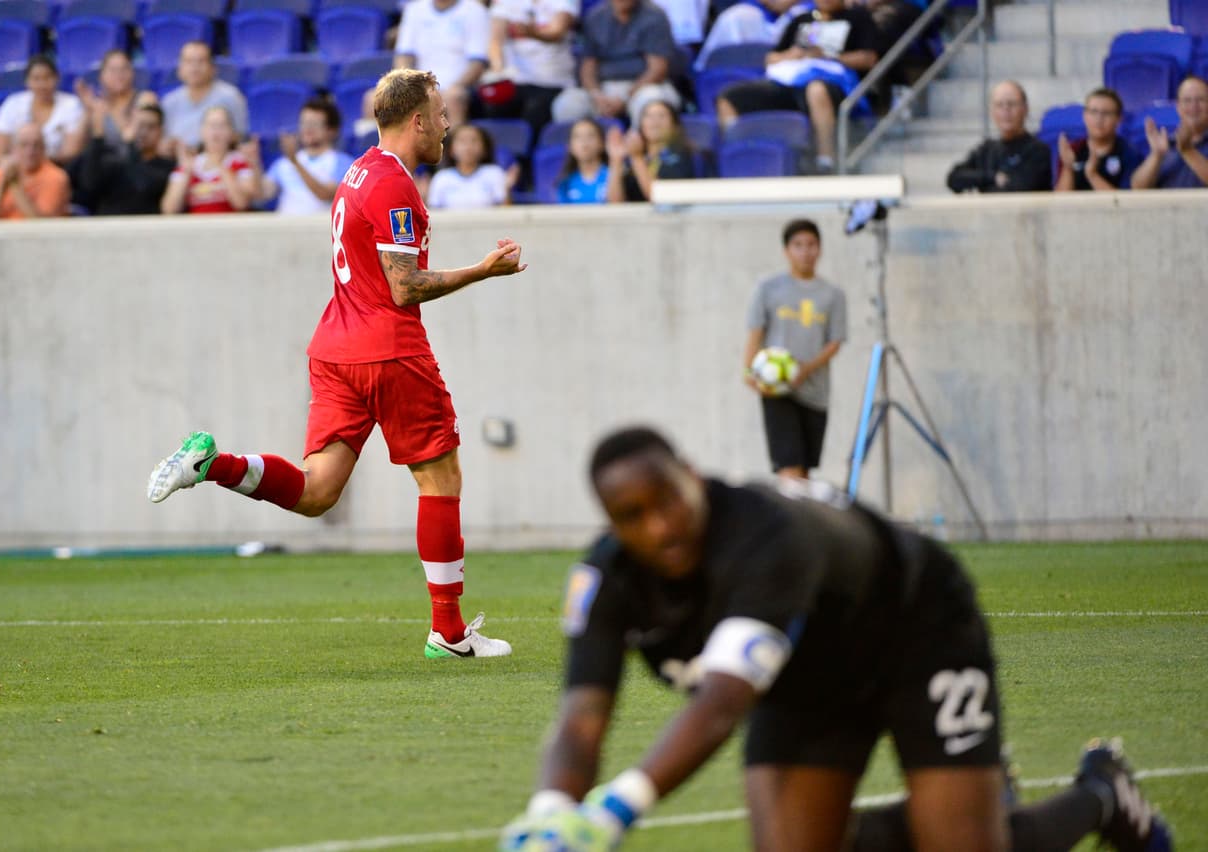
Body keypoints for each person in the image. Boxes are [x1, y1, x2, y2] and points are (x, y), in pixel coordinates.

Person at [500, 426, 1175, 852]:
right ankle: (955, 795)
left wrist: (612, 811)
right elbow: (582, 718)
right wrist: (550, 814)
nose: (660, 527)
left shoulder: (765, 538)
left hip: (915, 627)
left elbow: (723, 703)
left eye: (668, 498)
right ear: (612, 526)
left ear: (692, 473)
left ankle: (1103, 796)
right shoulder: (605, 579)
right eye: (632, 517)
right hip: (809, 676)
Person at [146, 69, 527, 660]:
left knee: (319, 491)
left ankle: (212, 464)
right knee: (440, 478)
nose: (450, 126)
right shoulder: (397, 187)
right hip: (388, 349)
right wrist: (482, 270)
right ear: (418, 120)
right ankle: (448, 633)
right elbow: (405, 287)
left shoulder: (358, 171)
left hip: (334, 348)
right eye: (442, 113)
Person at [715, 0, 878, 174]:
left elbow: (869, 58)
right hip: (791, 84)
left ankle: (826, 161)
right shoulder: (801, 19)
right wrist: (792, 55)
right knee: (729, 97)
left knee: (816, 90)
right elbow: (770, 58)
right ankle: (736, 156)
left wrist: (828, 57)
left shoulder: (858, 17)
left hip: (836, 86)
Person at [743, 218, 846, 481]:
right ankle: (791, 521)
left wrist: (806, 368)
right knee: (789, 467)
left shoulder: (832, 295)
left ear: (820, 249)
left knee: (805, 471)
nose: (805, 252)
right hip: (779, 390)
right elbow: (756, 332)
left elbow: (835, 341)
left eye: (811, 244)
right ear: (786, 251)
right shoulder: (768, 288)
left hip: (815, 391)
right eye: (798, 245)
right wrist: (749, 370)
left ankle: (802, 519)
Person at [551, 0, 686, 129]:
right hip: (604, 88)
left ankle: (641, 150)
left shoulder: (655, 15)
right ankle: (582, 151)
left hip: (644, 86)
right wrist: (597, 95)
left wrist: (626, 98)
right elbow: (588, 67)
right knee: (567, 105)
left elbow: (657, 69)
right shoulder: (595, 16)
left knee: (651, 103)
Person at [481, 0, 579, 139]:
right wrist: (498, 69)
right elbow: (496, 40)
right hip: (516, 80)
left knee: (534, 112)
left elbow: (557, 32)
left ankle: (525, 159)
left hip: (553, 82)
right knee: (492, 105)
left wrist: (532, 33)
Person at [394, 0, 491, 126]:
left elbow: (477, 63)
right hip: (420, 85)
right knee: (374, 98)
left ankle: (453, 143)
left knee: (453, 97)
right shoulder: (414, 9)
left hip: (458, 85)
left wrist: (456, 86)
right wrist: (406, 85)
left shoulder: (475, 10)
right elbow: (404, 55)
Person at [946, 80, 1052, 193]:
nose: (1006, 110)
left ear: (1025, 109)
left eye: (1012, 104)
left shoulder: (1038, 151)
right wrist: (993, 177)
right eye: (999, 105)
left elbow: (1017, 189)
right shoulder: (986, 150)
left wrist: (982, 184)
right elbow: (954, 178)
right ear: (992, 111)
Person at [257, 98, 356, 215]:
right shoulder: (283, 163)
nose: (307, 129)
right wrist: (254, 161)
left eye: (314, 124)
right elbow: (262, 194)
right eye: (303, 123)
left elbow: (326, 194)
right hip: (285, 228)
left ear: (331, 130)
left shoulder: (344, 163)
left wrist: (295, 162)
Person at [77, 102, 175, 215]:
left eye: (151, 127)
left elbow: (141, 185)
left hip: (144, 228)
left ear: (161, 131)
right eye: (139, 125)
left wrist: (130, 144)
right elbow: (89, 184)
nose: (143, 132)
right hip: (108, 226)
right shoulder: (114, 161)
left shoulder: (167, 167)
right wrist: (98, 137)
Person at [160, 105, 261, 215]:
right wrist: (186, 173)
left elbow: (242, 204)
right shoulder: (189, 164)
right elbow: (169, 210)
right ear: (201, 131)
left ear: (232, 133)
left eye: (222, 126)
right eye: (211, 126)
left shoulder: (240, 161)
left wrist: (223, 169)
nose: (216, 132)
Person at [0, 56, 85, 168]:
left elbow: (70, 152)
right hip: (13, 170)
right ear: (27, 81)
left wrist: (33, 163)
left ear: (57, 78)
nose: (42, 84)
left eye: (47, 78)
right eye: (36, 79)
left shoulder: (71, 104)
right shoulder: (12, 103)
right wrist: (14, 169)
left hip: (54, 170)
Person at [160, 41, 249, 150]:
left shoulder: (231, 96)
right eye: (188, 61)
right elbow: (163, 141)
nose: (194, 67)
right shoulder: (169, 102)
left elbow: (242, 137)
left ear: (213, 68)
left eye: (201, 61)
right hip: (178, 162)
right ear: (179, 69)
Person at [605, 99, 698, 202]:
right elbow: (615, 202)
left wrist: (637, 158)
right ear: (641, 124)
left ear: (674, 125)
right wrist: (616, 160)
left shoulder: (682, 156)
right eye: (648, 116)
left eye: (661, 116)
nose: (655, 121)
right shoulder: (633, 156)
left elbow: (660, 198)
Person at [0, 122, 71, 220]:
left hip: (36, 235)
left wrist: (14, 185)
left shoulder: (56, 178)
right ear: (13, 149)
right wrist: (2, 188)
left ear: (44, 149)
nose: (30, 151)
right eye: (24, 145)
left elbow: (41, 224)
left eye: (36, 145)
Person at [1054, 87, 1140, 192]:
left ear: (1118, 119)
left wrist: (1092, 175)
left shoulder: (1129, 152)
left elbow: (1124, 203)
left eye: (1106, 113)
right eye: (1093, 112)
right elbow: (1061, 202)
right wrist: (1067, 168)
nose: (1099, 119)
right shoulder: (1073, 150)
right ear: (1085, 116)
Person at [1130, 75, 1208, 190]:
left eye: (1200, 100)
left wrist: (1188, 151)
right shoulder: (1165, 143)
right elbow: (1137, 188)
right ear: (1178, 107)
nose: (1193, 106)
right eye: (1187, 100)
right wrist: (1156, 155)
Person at [74, 49, 156, 158]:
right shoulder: (96, 104)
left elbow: (134, 142)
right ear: (101, 76)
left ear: (132, 73)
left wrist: (111, 111)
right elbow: (77, 148)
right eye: (112, 70)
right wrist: (88, 111)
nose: (119, 74)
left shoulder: (145, 98)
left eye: (124, 69)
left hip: (134, 164)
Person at [426, 123, 511, 208]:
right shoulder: (442, 178)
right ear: (451, 149)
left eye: (474, 140)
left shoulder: (494, 173)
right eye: (462, 141)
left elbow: (505, 211)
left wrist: (507, 191)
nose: (468, 146)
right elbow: (433, 214)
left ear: (484, 148)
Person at [555, 118, 614, 204]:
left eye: (590, 136)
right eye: (577, 137)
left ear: (602, 143)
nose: (584, 142)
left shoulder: (613, 175)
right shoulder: (565, 183)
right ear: (569, 146)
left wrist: (616, 162)